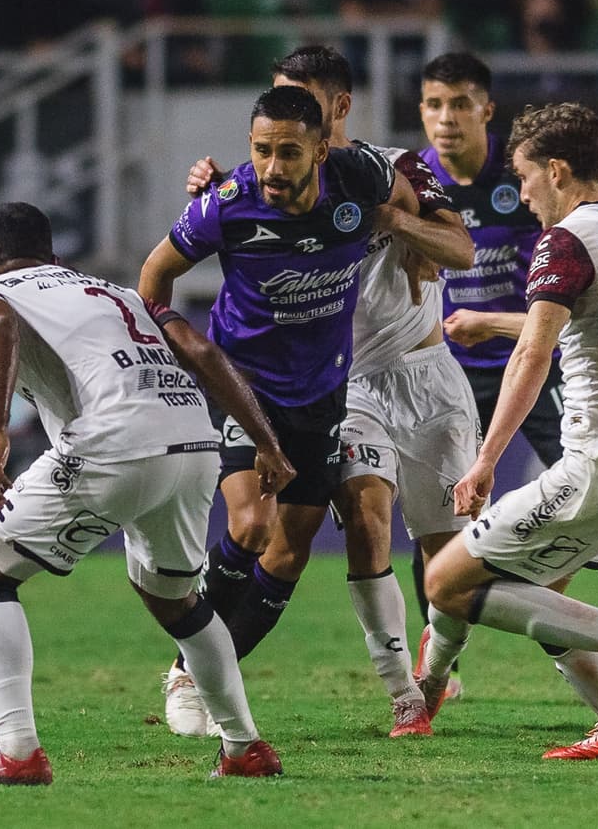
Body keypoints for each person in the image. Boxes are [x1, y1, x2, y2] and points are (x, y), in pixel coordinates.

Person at [0, 202, 293, 785]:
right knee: (176, 600)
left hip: (114, 441)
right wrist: (267, 444)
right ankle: (243, 747)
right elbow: (203, 352)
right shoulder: (119, 293)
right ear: (54, 257)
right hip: (193, 442)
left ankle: (18, 752)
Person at [180, 45, 476, 738]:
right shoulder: (262, 182)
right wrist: (211, 194)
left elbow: (459, 249)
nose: (288, 115)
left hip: (427, 375)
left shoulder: (391, 169)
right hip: (347, 384)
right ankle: (401, 694)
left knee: (448, 565)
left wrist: (399, 222)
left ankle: (436, 668)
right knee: (366, 521)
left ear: (338, 107)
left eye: (303, 100)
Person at [139, 85, 421, 735]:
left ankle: (212, 677)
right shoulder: (227, 204)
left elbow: (407, 205)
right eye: (262, 150)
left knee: (291, 551)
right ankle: (184, 671)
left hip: (321, 394)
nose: (271, 166)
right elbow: (154, 274)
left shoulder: (360, 179)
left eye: (288, 152)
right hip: (243, 387)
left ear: (320, 151)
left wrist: (415, 256)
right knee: (251, 525)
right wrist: (167, 351)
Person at [414, 51, 598, 707]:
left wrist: (484, 462)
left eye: (526, 177)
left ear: (556, 171)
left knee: (443, 582)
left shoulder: (564, 240)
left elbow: (534, 354)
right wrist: (493, 322)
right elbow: (580, 327)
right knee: (546, 596)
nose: (525, 193)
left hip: (594, 465)